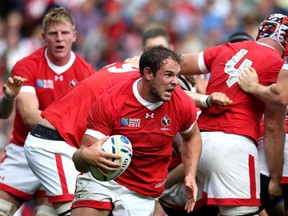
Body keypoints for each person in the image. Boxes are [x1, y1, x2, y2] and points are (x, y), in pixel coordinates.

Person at [70, 46, 202, 215]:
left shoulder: (182, 103)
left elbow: (192, 136)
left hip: (143, 187)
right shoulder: (112, 101)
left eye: (176, 75)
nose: (175, 82)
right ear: (148, 73)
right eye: (168, 74)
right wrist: (85, 155)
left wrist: (190, 175)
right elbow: (80, 158)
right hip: (104, 177)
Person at [178, 13, 288, 216]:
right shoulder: (278, 66)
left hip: (198, 143)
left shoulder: (227, 47)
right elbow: (274, 127)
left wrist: (142, 60)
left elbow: (179, 63)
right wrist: (274, 179)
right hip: (234, 144)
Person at [0, 6, 94, 216]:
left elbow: (87, 122)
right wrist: (69, 123)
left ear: (74, 36)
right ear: (44, 36)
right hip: (23, 150)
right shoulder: (26, 66)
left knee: (46, 214)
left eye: (64, 33)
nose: (59, 39)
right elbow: (28, 116)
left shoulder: (86, 72)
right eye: (53, 33)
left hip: (61, 153)